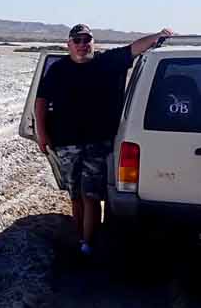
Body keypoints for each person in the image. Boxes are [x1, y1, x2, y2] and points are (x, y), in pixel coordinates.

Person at [33, 25, 169, 251]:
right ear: (69, 44)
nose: (82, 44)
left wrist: (158, 36)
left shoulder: (106, 62)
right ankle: (80, 239)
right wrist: (42, 133)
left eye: (86, 40)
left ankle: (88, 243)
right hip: (66, 143)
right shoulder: (58, 69)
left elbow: (134, 48)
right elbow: (41, 101)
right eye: (77, 40)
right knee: (75, 195)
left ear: (93, 43)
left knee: (91, 196)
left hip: (97, 143)